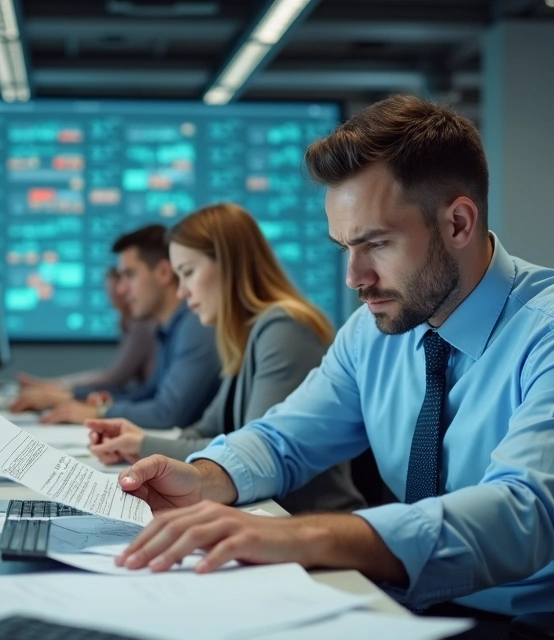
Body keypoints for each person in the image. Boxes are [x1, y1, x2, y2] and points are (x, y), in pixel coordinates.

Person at [107, 95, 554, 621]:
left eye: (377, 244)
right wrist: (203, 478)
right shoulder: (376, 330)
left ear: (458, 223)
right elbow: (284, 439)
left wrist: (301, 535)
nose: (354, 279)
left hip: (537, 627)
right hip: (401, 605)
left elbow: (520, 517)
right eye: (345, 249)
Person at [84, 203, 366, 514]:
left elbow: (254, 451)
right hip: (268, 516)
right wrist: (139, 443)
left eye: (188, 273)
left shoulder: (284, 328)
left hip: (311, 524)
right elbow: (205, 430)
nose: (181, 293)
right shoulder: (243, 334)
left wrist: (142, 446)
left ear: (230, 265)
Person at [25, 225, 221, 427]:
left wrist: (99, 411)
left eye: (130, 275)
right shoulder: (169, 328)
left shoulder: (196, 325)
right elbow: (147, 395)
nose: (121, 288)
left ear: (163, 272)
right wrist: (80, 399)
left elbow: (167, 413)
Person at [13, 267, 157, 401]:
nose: (113, 300)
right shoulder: (134, 324)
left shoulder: (142, 326)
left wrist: (57, 389)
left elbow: (115, 378)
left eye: (116, 294)